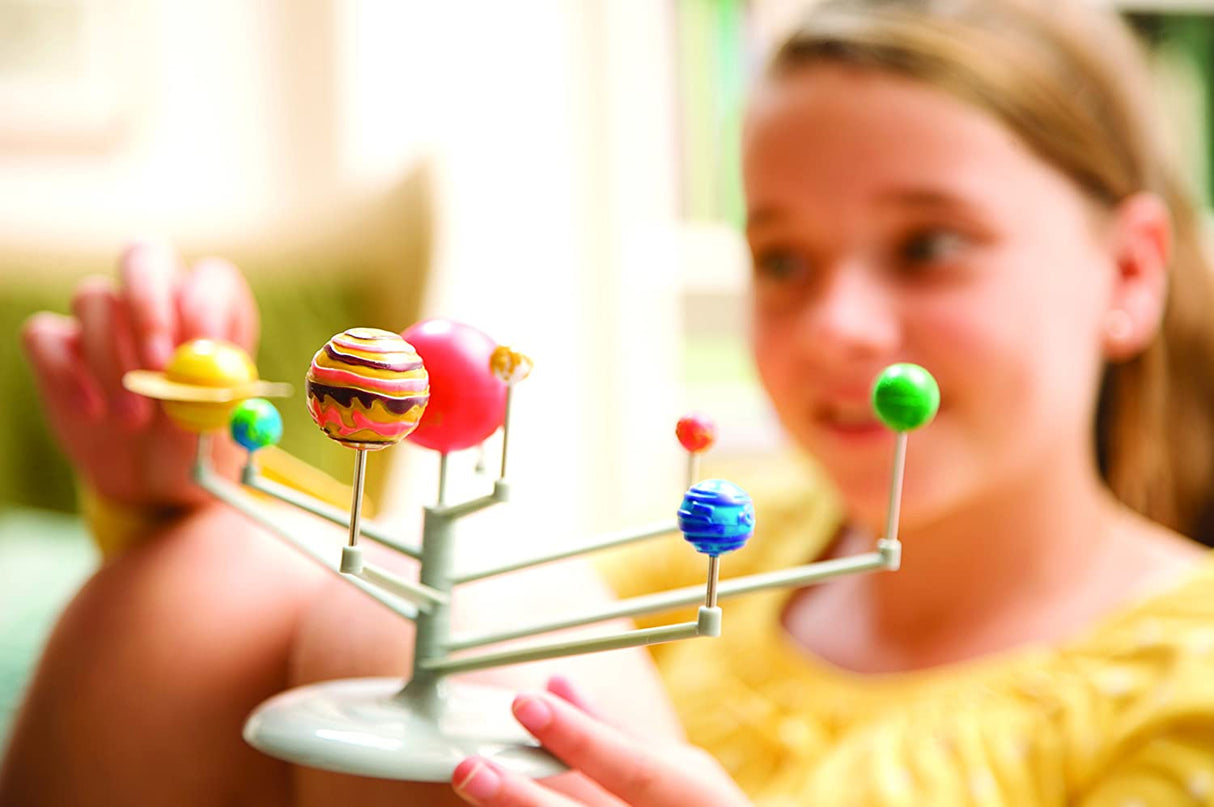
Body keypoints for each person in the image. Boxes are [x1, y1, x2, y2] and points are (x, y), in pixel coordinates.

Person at [8, 0, 1214, 804]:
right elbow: (376, 601)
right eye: (782, 258)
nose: (837, 324)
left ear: (1127, 273)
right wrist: (194, 487)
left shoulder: (1187, 675)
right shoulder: (721, 557)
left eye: (929, 246)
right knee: (206, 580)